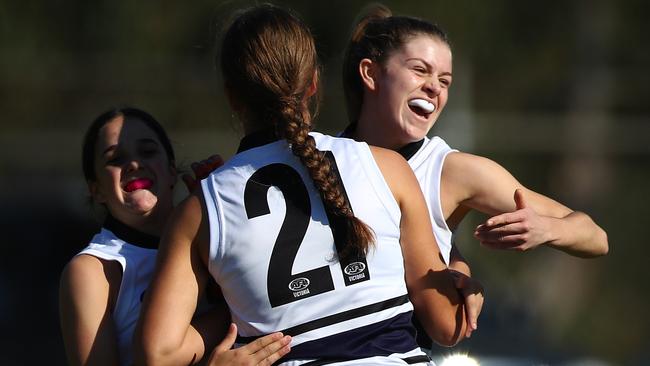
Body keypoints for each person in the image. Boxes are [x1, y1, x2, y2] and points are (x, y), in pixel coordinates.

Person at [135, 4, 468, 366]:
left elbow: (159, 354)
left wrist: (242, 310)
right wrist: (461, 274)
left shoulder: (199, 211)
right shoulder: (388, 167)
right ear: (312, 83)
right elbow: (447, 324)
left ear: (232, 96)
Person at [340, 3, 608, 346]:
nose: (434, 88)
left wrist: (546, 229)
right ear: (370, 73)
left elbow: (596, 238)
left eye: (445, 80)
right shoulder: (320, 157)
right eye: (420, 70)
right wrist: (457, 263)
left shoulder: (452, 170)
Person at [59, 107, 291, 366]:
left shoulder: (210, 231)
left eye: (148, 152)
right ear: (96, 189)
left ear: (171, 171)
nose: (134, 164)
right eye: (115, 158)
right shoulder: (92, 270)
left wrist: (229, 214)